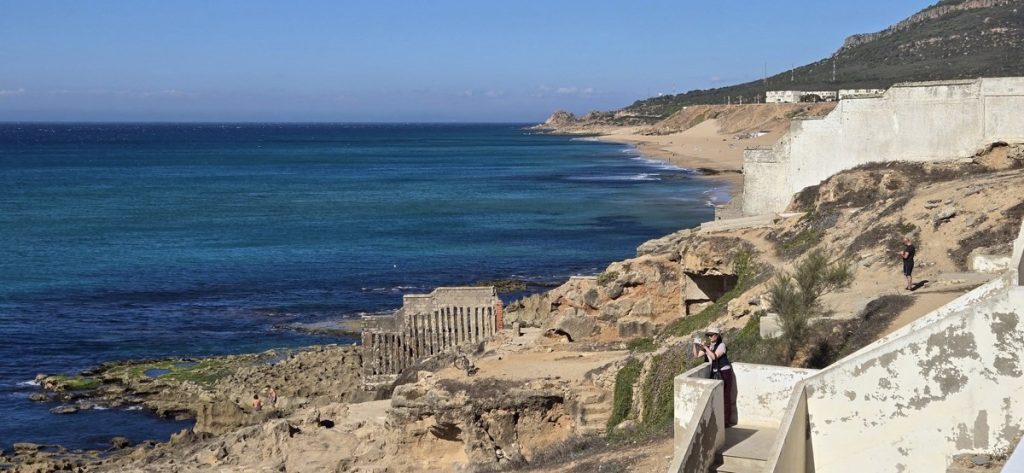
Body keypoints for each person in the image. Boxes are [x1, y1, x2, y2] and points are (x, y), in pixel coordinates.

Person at [692, 326, 737, 427]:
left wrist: (706, 348)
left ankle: (726, 421)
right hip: (715, 373)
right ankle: (718, 420)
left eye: (711, 335)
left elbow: (714, 356)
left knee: (725, 397)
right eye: (708, 335)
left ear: (717, 336)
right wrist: (695, 344)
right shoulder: (709, 346)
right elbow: (696, 355)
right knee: (716, 397)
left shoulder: (722, 345)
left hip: (724, 372)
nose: (710, 337)